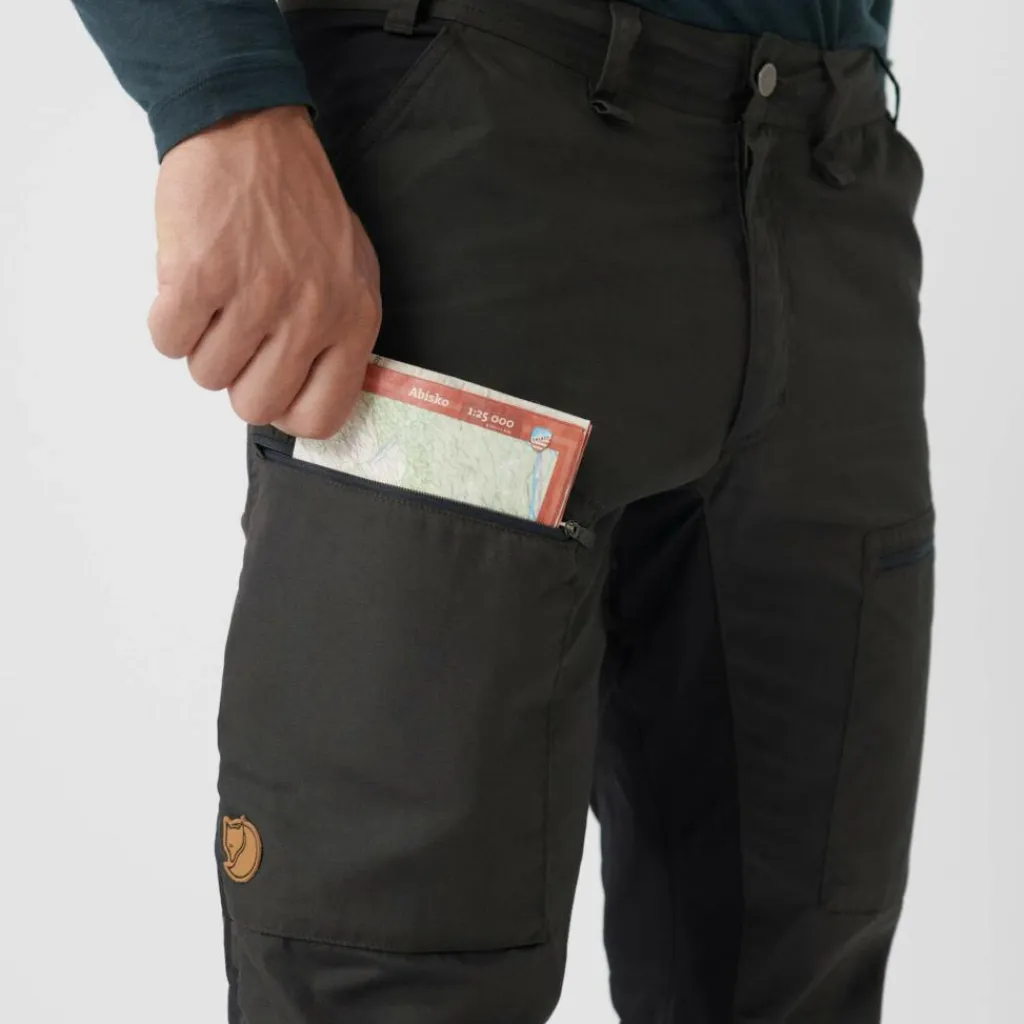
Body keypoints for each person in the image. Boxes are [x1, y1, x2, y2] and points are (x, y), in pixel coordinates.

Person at [71, 0, 934, 1021]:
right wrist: (217, 97)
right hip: (476, 141)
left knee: (800, 970)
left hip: (829, 172)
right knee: (386, 979)